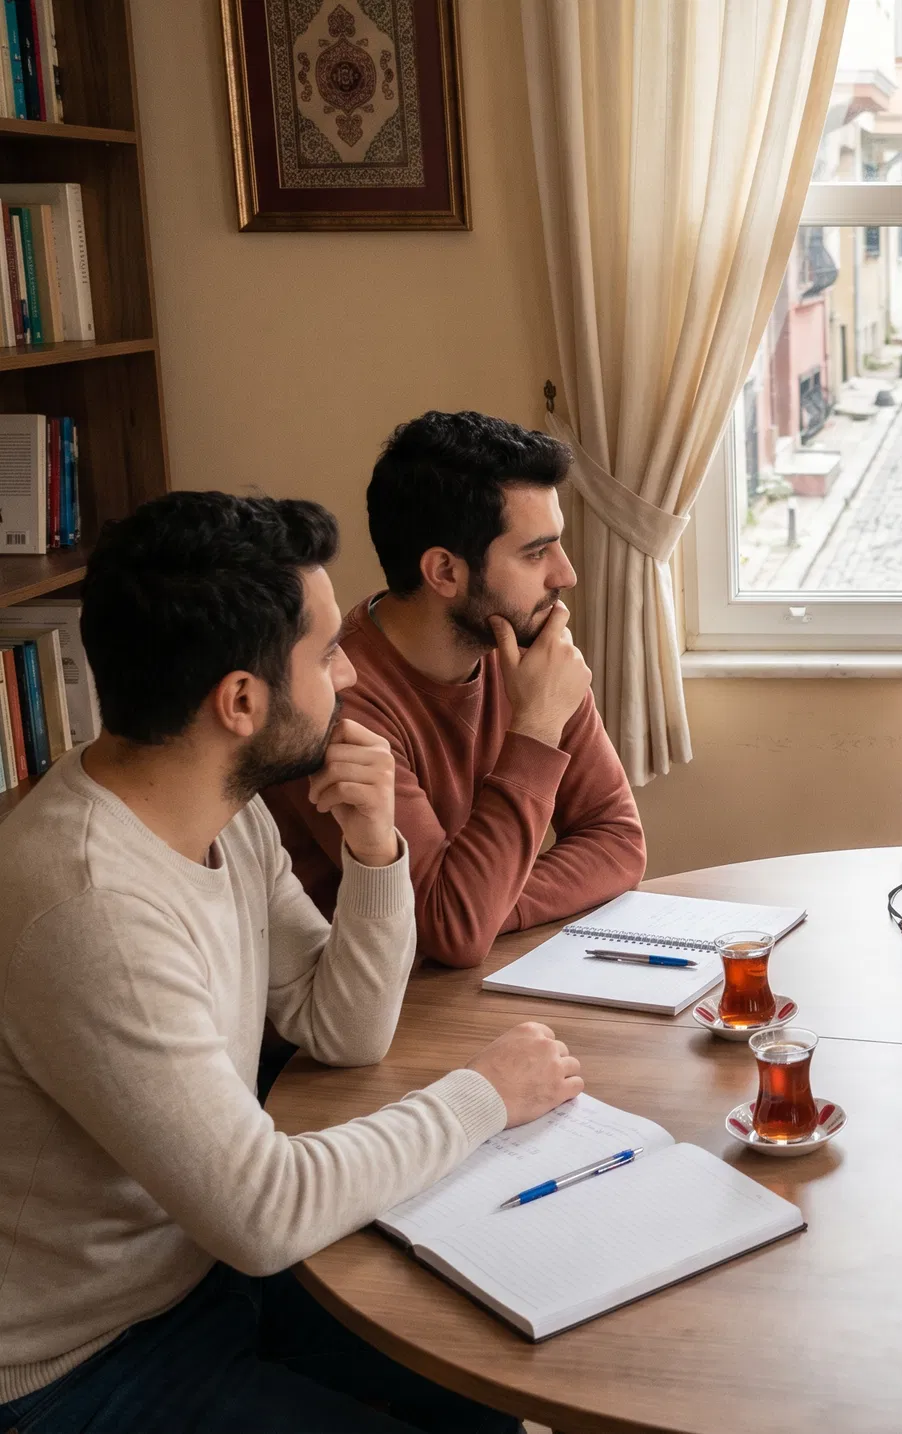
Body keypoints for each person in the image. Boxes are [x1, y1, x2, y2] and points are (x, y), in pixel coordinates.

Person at [0, 491, 584, 1431]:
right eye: (325, 654)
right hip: (82, 1363)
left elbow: (341, 1030)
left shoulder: (227, 814)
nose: (350, 672)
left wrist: (376, 852)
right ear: (241, 702)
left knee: (488, 1396)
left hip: (203, 1277)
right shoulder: (92, 909)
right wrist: (486, 1094)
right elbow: (266, 1211)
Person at [267, 410, 647, 971]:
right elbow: (450, 930)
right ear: (445, 571)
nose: (565, 574)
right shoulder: (335, 701)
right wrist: (536, 726)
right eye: (536, 552)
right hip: (356, 1030)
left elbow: (618, 842)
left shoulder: (529, 653)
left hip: (465, 990)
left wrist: (482, 904)